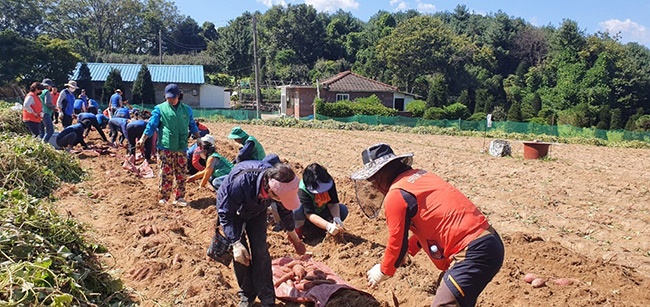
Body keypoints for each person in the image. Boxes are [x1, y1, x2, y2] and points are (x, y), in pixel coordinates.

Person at [351, 143, 504, 307]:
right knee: (447, 290)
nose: (374, 186)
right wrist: (408, 251)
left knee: (445, 303)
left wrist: (383, 271)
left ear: (379, 174)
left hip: (472, 251)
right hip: (488, 241)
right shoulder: (421, 177)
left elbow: (396, 242)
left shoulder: (396, 195)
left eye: (372, 180)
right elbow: (430, 225)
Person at [217, 161, 305, 307]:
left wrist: (295, 238)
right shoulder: (242, 182)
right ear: (270, 191)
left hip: (257, 209)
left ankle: (267, 297)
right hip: (233, 211)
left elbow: (285, 211)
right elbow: (226, 213)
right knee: (241, 255)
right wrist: (235, 243)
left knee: (260, 250)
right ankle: (247, 295)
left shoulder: (278, 186)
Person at [137, 84, 200, 207]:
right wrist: (142, 139)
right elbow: (151, 125)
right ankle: (164, 197)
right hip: (165, 147)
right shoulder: (160, 109)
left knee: (181, 173)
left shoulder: (187, 110)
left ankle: (179, 197)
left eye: (173, 97)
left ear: (179, 96)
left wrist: (199, 138)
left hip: (181, 147)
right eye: (168, 98)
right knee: (166, 173)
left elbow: (192, 125)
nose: (170, 100)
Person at [293, 163, 348, 239]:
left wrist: (336, 217)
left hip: (322, 212)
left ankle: (321, 230)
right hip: (307, 218)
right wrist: (327, 226)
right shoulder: (302, 190)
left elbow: (333, 203)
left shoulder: (328, 182)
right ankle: (300, 232)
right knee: (297, 211)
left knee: (342, 210)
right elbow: (309, 214)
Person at [39, 78, 57, 143]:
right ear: (48, 86)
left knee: (41, 131)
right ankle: (44, 144)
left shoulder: (39, 92)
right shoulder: (47, 92)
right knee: (50, 130)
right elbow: (48, 103)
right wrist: (55, 107)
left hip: (39, 113)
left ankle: (39, 144)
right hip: (46, 113)